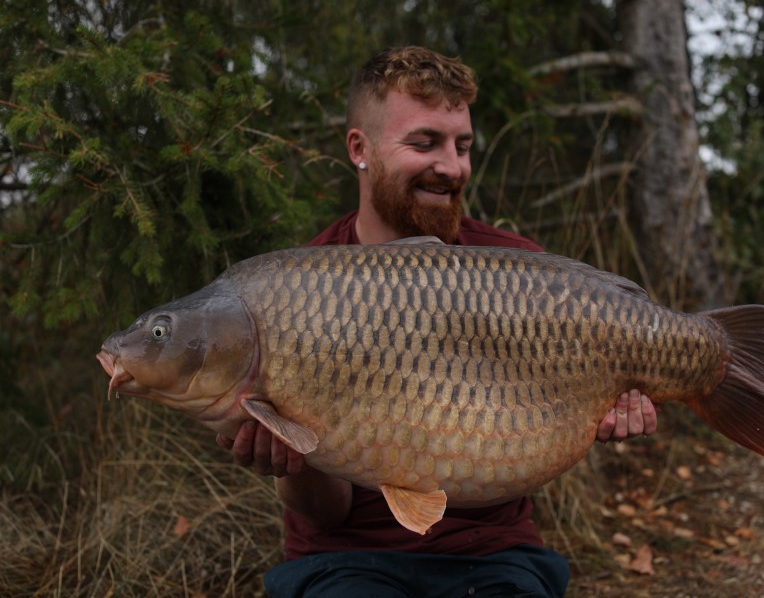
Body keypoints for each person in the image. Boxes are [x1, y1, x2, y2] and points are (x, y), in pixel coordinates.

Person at [218, 46, 658, 598]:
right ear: (360, 148)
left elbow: (553, 437)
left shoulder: (521, 271)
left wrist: (612, 407)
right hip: (346, 560)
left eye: (462, 146)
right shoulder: (296, 291)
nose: (452, 167)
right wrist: (286, 460)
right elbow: (325, 516)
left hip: (493, 553)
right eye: (424, 143)